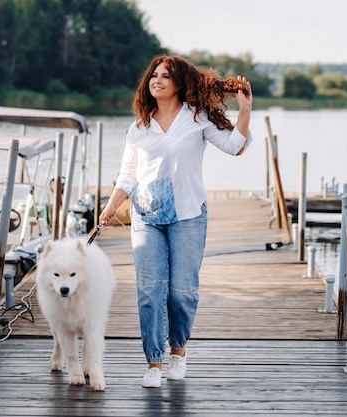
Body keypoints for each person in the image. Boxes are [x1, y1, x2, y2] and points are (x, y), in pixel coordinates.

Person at [98, 55, 254, 388]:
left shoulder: (197, 118)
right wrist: (111, 206)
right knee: (150, 292)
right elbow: (128, 174)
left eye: (165, 76)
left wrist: (244, 111)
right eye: (154, 75)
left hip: (188, 215)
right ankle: (154, 362)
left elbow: (234, 146)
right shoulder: (139, 126)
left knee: (182, 292)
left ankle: (178, 353)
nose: (157, 80)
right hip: (146, 217)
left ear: (180, 84)